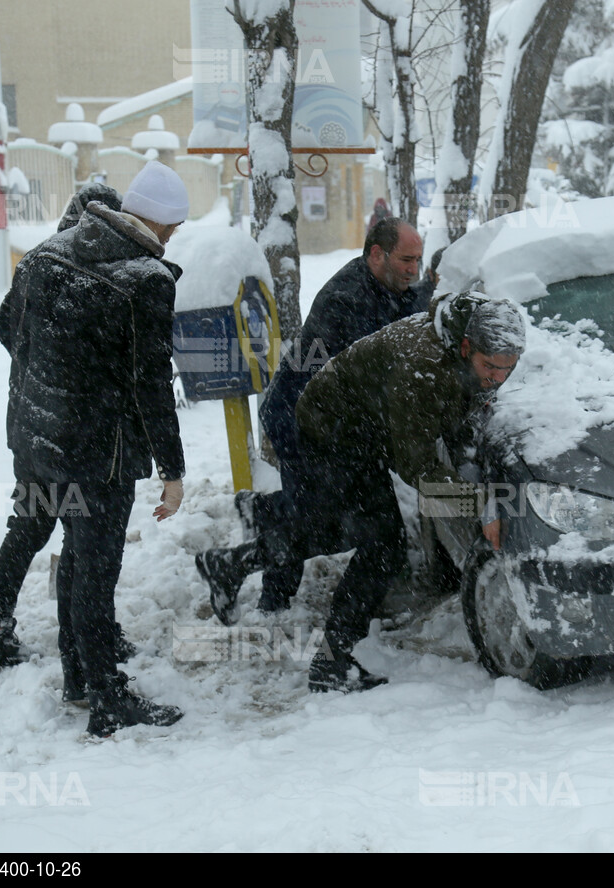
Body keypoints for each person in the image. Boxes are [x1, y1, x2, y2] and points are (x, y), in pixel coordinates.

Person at [223, 291, 526, 693]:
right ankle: (331, 662)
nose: (498, 379)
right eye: (490, 368)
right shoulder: (421, 365)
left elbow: (458, 417)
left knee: (348, 534)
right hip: (333, 431)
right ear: (466, 346)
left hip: (367, 430)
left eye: (508, 369)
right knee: (382, 547)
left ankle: (232, 565)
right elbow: (418, 468)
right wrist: (482, 503)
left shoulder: (467, 348)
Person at [5, 161, 189, 736]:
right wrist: (173, 469)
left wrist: (55, 376)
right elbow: (151, 383)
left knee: (77, 557)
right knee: (93, 569)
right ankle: (108, 700)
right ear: (164, 225)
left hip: (38, 436)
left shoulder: (48, 252)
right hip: (96, 452)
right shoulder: (145, 279)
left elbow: (7, 326)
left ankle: (80, 679)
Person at [196, 217, 427, 621]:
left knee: (340, 523)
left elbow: (414, 314)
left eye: (419, 261)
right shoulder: (344, 302)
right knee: (316, 520)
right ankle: (271, 597)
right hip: (302, 422)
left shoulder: (393, 288)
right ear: (377, 254)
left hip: (343, 428)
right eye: (407, 260)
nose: (413, 270)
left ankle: (263, 520)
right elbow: (366, 380)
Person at [0, 183, 137, 674]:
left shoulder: (39, 259)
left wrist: (35, 370)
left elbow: (4, 324)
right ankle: (88, 635)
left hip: (32, 431)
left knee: (33, 523)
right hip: (68, 434)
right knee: (75, 532)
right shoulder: (90, 268)